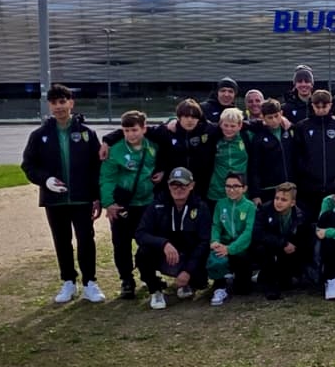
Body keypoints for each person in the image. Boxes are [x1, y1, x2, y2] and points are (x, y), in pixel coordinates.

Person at [21, 83, 105, 305]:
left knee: (86, 239)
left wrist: (98, 197)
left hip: (82, 198)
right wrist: (46, 180)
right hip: (55, 200)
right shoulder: (40, 136)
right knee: (62, 240)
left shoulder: (87, 134)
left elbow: (96, 168)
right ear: (49, 106)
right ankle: (68, 280)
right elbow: (28, 165)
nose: (59, 107)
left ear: (71, 103)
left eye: (62, 102)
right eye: (54, 103)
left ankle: (90, 282)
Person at [98, 109, 159, 299]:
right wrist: (109, 203)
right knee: (121, 244)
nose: (131, 134)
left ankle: (149, 275)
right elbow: (106, 178)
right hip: (123, 205)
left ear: (143, 129)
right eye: (126, 131)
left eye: (134, 130)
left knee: (148, 242)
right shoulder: (115, 150)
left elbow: (164, 164)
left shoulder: (154, 147)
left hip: (147, 203)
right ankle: (126, 279)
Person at [134, 166, 212, 309]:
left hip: (188, 256)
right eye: (174, 185)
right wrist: (164, 244)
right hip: (165, 255)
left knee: (201, 282)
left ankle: (188, 283)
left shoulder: (201, 207)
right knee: (143, 253)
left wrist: (188, 270)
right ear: (168, 186)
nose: (178, 189)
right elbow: (140, 233)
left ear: (191, 186)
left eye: (183, 185)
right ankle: (155, 290)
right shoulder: (157, 205)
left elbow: (204, 242)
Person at [296, 88, 335, 221]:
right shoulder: (302, 127)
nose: (320, 109)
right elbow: (298, 155)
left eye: (324, 106)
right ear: (312, 105)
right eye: (317, 106)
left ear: (330, 105)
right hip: (310, 187)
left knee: (334, 221)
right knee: (311, 223)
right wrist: (306, 172)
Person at [207, 171, 257, 305]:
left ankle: (238, 277)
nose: (231, 190)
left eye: (236, 186)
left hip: (241, 249)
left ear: (244, 188)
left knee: (243, 290)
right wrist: (215, 241)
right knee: (216, 257)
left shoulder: (250, 206)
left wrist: (231, 249)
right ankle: (219, 286)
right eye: (228, 186)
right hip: (223, 245)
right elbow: (216, 226)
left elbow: (248, 232)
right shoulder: (220, 204)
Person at [252, 182, 306, 300]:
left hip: (289, 251)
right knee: (262, 249)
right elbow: (258, 233)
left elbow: (303, 237)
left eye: (284, 200)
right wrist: (282, 243)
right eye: (277, 198)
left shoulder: (300, 214)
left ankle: (286, 275)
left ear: (292, 203)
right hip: (270, 248)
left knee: (286, 284)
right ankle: (269, 282)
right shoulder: (264, 209)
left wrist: (293, 245)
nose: (279, 202)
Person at [250, 99, 297, 203]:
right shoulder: (258, 138)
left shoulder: (291, 131)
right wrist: (256, 194)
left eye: (276, 116)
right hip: (268, 190)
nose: (274, 120)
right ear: (262, 117)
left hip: (291, 188)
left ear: (281, 113)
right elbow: (254, 168)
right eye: (270, 117)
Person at [206, 106, 252, 203]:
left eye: (232, 126)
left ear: (240, 126)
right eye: (225, 125)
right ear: (220, 124)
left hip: (241, 190)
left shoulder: (247, 137)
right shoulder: (214, 139)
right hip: (217, 190)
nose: (228, 129)